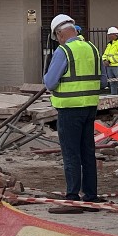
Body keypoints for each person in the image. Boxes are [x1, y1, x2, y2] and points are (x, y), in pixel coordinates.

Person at [43, 13, 104, 214]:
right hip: (90, 108)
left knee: (71, 154)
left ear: (60, 34)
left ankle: (72, 198)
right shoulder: (93, 49)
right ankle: (91, 197)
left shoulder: (64, 51)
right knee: (87, 152)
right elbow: (103, 82)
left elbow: (50, 82)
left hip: (69, 109)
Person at [102, 27, 118, 95]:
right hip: (110, 66)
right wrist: (104, 60)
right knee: (112, 83)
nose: (108, 36)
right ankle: (113, 96)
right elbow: (105, 54)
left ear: (115, 35)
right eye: (108, 35)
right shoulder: (109, 44)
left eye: (110, 35)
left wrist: (109, 61)